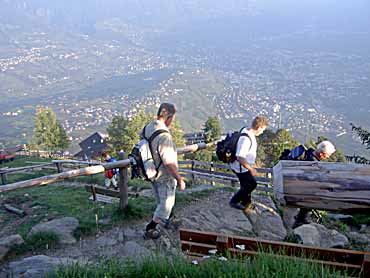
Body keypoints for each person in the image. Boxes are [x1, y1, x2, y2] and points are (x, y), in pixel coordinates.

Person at [143, 103, 186, 239]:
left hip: (151, 170)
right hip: (164, 175)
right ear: (169, 117)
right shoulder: (164, 137)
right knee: (166, 203)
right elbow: (169, 162)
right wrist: (179, 179)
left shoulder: (148, 127)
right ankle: (151, 228)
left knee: (161, 200)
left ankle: (169, 219)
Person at [292, 140, 336, 228]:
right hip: (299, 187)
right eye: (327, 155)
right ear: (321, 154)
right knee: (312, 194)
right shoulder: (312, 162)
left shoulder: (309, 152)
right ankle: (300, 219)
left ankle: (301, 217)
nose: (327, 157)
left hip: (295, 183)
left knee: (311, 192)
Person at [229, 116, 269, 211]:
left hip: (241, 166)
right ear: (259, 128)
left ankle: (247, 203)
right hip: (241, 167)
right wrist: (251, 169)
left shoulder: (246, 130)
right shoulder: (246, 139)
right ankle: (234, 201)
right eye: (263, 129)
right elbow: (240, 156)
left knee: (245, 185)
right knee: (252, 184)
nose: (262, 132)